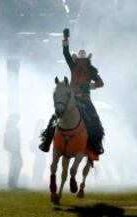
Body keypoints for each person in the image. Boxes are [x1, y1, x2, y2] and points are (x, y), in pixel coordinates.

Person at [39, 28, 105, 156]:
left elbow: (100, 83)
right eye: (80, 60)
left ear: (87, 60)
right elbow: (66, 53)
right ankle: (46, 143)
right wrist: (66, 39)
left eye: (83, 60)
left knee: (95, 121)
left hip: (85, 100)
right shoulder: (73, 66)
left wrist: (90, 86)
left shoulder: (91, 70)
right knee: (55, 118)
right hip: (72, 99)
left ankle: (96, 146)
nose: (81, 63)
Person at [3, 113, 22, 189]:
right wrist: (11, 148)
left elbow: (18, 140)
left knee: (18, 165)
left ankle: (13, 183)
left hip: (17, 149)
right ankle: (11, 183)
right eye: (16, 119)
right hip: (13, 149)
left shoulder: (16, 129)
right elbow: (5, 142)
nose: (17, 121)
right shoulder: (9, 129)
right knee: (14, 166)